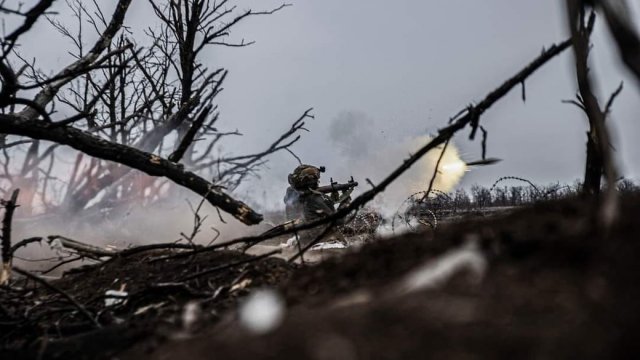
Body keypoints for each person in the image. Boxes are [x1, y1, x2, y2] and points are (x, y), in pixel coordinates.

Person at [285, 164, 352, 246]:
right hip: (322, 242)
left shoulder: (291, 194)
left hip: (298, 241)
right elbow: (339, 221)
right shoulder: (315, 198)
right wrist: (345, 202)